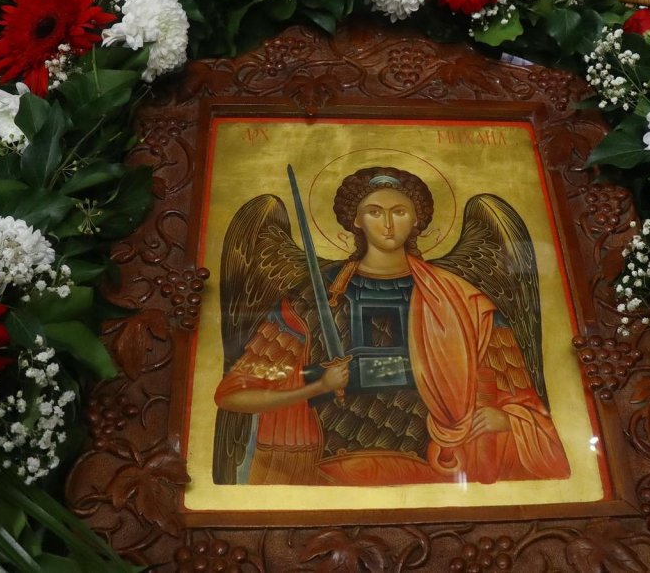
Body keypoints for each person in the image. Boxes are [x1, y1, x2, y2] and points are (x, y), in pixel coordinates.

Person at [214, 167, 571, 486]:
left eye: (399, 212)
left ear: (417, 220)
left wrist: (507, 420)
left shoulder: (462, 301)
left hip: (441, 469)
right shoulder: (310, 299)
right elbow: (234, 395)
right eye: (374, 212)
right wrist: (316, 385)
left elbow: (520, 399)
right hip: (329, 473)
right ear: (356, 221)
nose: (387, 224)